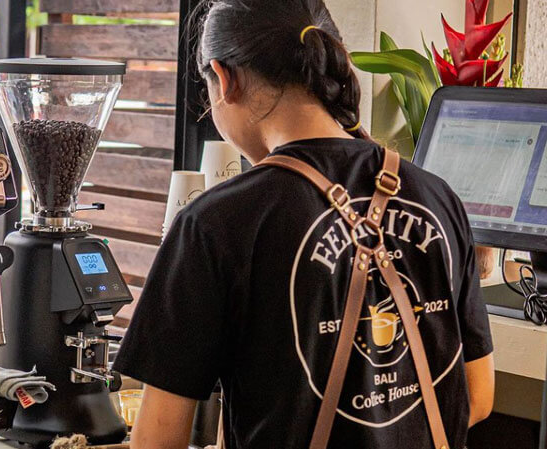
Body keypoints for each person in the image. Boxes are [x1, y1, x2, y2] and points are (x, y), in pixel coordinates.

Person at [112, 1, 495, 448]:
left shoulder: (213, 222)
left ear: (224, 79)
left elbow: (159, 439)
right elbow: (477, 396)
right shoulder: (437, 196)